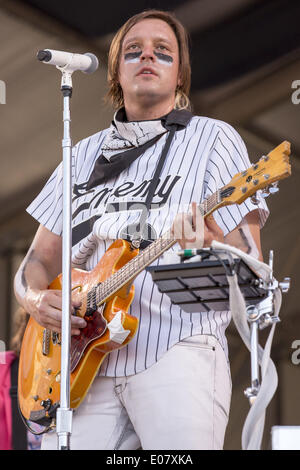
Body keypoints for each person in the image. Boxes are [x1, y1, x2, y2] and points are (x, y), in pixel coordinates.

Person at [14, 10, 268, 450]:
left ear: (180, 75)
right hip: (81, 365)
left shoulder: (214, 138)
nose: (147, 57)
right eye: (134, 51)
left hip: (179, 351)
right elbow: (36, 262)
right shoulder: (80, 154)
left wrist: (207, 243)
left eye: (162, 52)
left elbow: (250, 260)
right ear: (116, 72)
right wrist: (37, 300)